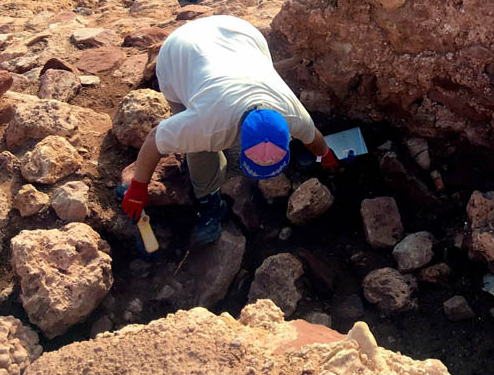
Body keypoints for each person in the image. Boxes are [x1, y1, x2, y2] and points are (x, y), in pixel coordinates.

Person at [118, 14, 338, 244]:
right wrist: (138, 187)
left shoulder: (294, 115)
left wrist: (325, 154)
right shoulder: (205, 127)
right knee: (200, 149)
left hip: (239, 32)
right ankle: (208, 201)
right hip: (179, 51)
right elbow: (155, 139)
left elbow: (314, 137)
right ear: (240, 139)